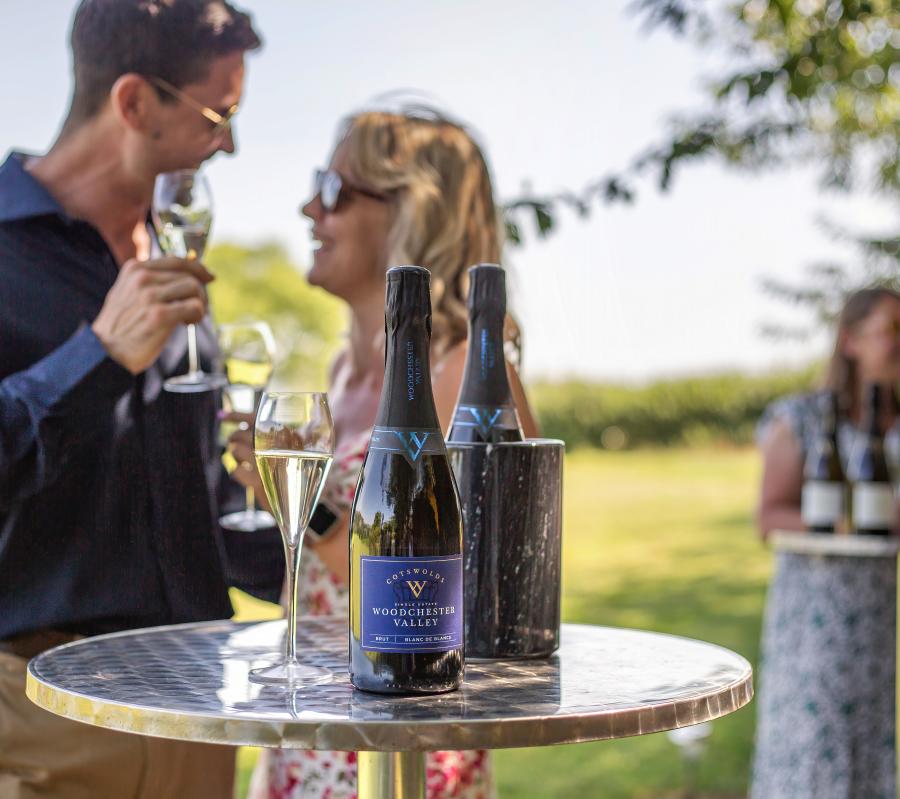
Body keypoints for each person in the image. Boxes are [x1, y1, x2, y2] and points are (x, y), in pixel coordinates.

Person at [230, 107, 539, 799]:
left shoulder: (468, 376)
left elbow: (472, 593)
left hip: (403, 743)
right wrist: (265, 489)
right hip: (312, 730)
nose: (310, 207)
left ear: (410, 213)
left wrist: (308, 511)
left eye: (335, 189)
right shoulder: (341, 368)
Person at [0, 2, 262, 797]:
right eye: (218, 116)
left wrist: (309, 516)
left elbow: (202, 505)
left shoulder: (179, 258)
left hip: (198, 714)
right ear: (134, 102)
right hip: (43, 721)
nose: (229, 145)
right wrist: (102, 354)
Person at [752, 287, 900, 798]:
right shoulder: (802, 418)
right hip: (812, 620)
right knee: (811, 747)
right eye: (892, 331)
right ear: (851, 340)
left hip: (877, 618)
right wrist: (854, 523)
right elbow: (769, 516)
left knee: (868, 743)